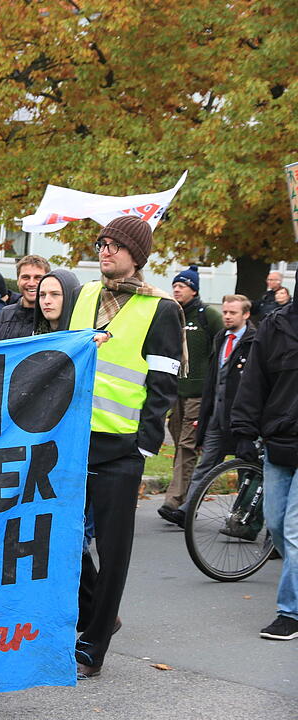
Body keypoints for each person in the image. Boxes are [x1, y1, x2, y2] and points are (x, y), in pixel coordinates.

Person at [67, 215, 183, 678]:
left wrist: (144, 446)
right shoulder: (85, 295)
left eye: (116, 245)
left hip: (121, 447)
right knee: (64, 538)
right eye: (102, 243)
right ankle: (100, 614)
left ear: (137, 255)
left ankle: (93, 643)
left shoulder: (163, 308)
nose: (106, 251)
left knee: (113, 550)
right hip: (74, 440)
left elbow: (164, 382)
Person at [230, 277, 298, 641]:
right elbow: (254, 380)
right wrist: (243, 430)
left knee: (293, 529)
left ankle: (290, 612)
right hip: (279, 442)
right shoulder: (276, 326)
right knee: (273, 524)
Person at [169, 295, 256, 527]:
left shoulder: (254, 341)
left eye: (232, 313)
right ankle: (187, 510)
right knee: (205, 465)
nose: (227, 316)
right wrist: (205, 417)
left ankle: (241, 520)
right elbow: (212, 382)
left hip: (242, 419)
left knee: (244, 471)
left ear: (245, 315)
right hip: (217, 417)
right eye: (225, 312)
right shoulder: (220, 338)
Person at [159, 265, 222, 524]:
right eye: (174, 285)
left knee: (187, 446)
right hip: (175, 392)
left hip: (198, 393)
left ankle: (174, 500)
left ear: (193, 289)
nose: (176, 289)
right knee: (180, 446)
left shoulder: (208, 315)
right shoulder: (173, 313)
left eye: (181, 286)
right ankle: (186, 498)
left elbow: (221, 348)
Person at [0, 255, 51, 340]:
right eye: (25, 277)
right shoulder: (5, 314)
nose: (31, 283)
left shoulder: (52, 317)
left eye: (38, 278)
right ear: (18, 281)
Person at [33, 268, 82, 334]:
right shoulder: (35, 336)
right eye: (42, 295)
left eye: (55, 294)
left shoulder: (84, 336)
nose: (46, 301)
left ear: (70, 296)